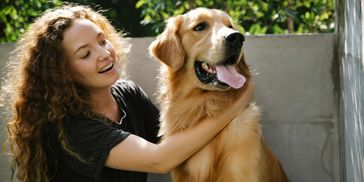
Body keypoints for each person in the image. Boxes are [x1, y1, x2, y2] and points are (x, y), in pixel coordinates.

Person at [1, 4, 255, 182]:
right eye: (85, 54)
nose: (103, 54)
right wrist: (237, 103)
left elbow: (178, 142)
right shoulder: (71, 128)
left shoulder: (128, 95)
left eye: (102, 41)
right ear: (62, 73)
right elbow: (161, 159)